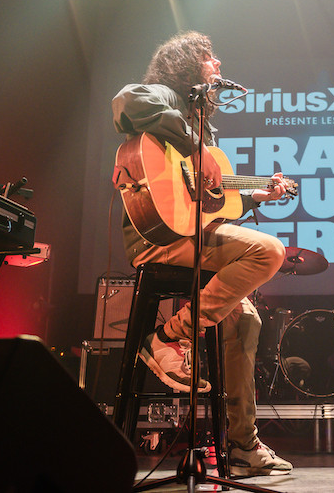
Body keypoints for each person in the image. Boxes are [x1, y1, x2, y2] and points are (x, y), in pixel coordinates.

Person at [112, 30, 293, 476]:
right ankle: (169, 337)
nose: (218, 64)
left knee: (246, 320)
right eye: (210, 57)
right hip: (158, 238)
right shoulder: (164, 96)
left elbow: (205, 204)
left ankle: (243, 446)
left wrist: (256, 196)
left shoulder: (202, 126)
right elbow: (125, 101)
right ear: (186, 62)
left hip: (192, 235)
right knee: (269, 251)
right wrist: (195, 145)